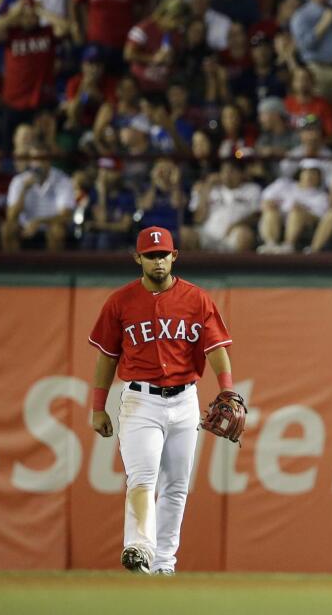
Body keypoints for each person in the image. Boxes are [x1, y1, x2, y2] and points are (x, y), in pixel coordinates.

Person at [87, 226, 236, 575]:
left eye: (163, 254)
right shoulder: (120, 302)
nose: (157, 261)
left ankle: (164, 564)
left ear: (174, 256)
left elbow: (216, 349)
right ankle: (139, 547)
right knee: (142, 478)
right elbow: (107, 358)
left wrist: (226, 388)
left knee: (176, 487)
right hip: (141, 401)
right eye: (150, 255)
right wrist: (97, 407)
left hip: (185, 401)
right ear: (138, 258)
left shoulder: (197, 299)